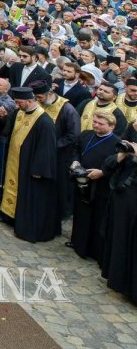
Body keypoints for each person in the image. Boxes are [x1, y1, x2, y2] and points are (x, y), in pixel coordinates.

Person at [0, 87, 61, 242]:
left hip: (29, 165)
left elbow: (47, 148)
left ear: (30, 101)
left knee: (26, 193)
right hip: (14, 160)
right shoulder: (19, 113)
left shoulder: (44, 120)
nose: (17, 105)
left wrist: (39, 169)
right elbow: (7, 131)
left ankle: (21, 220)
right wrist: (3, 118)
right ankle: (9, 215)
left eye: (19, 102)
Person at [68, 111, 121, 262]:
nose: (96, 125)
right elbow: (76, 150)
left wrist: (102, 172)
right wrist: (75, 161)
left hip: (101, 187)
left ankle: (93, 250)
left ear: (111, 126)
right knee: (80, 214)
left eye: (100, 124)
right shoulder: (86, 134)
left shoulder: (116, 143)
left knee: (96, 217)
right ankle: (78, 243)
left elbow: (117, 166)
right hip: (82, 182)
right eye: (95, 122)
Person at [32, 78, 81, 219]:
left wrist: (53, 145)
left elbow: (73, 135)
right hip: (43, 152)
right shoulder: (42, 104)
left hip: (61, 154)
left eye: (40, 97)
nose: (38, 100)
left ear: (49, 93)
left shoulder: (67, 109)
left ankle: (61, 213)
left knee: (60, 185)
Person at [101, 123, 137, 303]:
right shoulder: (130, 134)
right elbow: (107, 167)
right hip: (122, 200)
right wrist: (123, 155)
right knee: (120, 239)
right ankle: (120, 280)